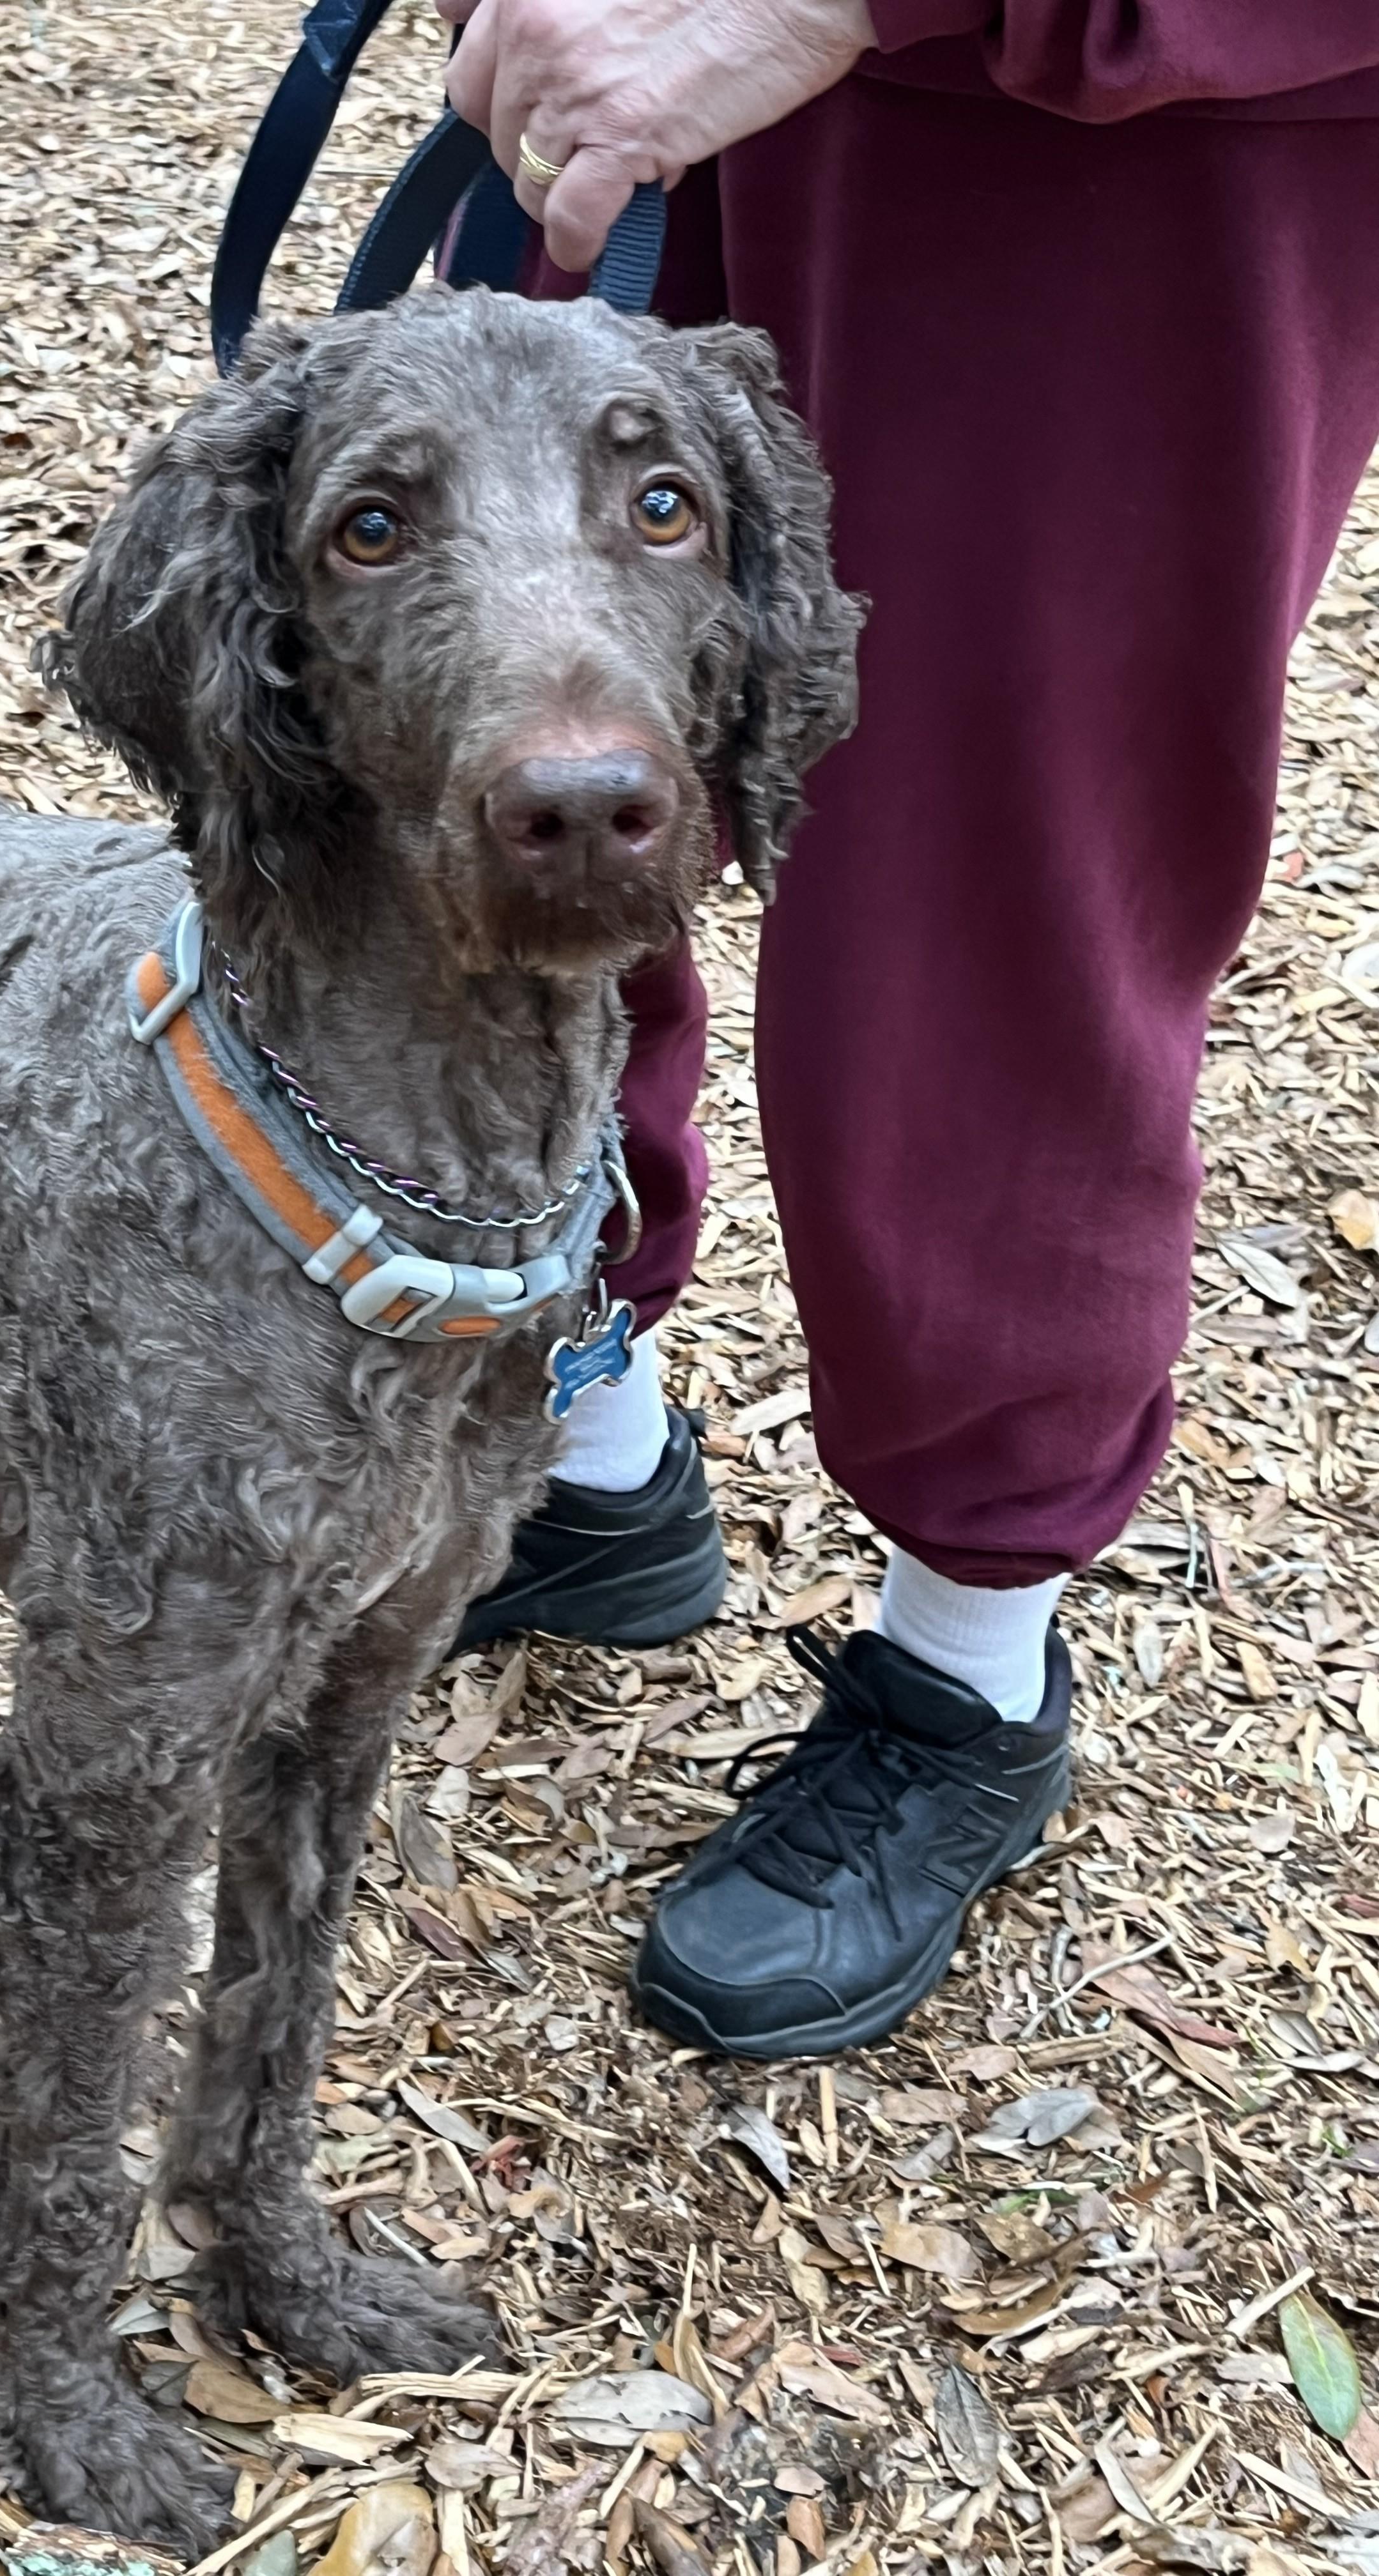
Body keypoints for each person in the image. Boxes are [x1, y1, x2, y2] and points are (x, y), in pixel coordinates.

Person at [443, 0, 1379, 2059]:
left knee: (989, 908)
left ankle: (977, 1669)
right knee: (527, 804)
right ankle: (591, 1459)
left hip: (1123, 142)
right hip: (632, 68)